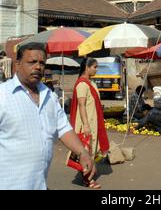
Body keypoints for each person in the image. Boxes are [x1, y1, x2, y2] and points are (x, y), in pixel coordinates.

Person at [0, 42, 95, 190]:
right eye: (32, 62)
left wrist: (82, 152)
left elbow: (63, 128)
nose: (38, 67)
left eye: (42, 63)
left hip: (40, 184)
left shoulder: (49, 96)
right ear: (17, 65)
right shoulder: (2, 95)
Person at [70, 57, 109, 189]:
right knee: (86, 150)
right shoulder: (82, 84)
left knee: (91, 149)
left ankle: (87, 174)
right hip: (86, 123)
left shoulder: (91, 83)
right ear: (87, 68)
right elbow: (81, 105)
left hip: (93, 121)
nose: (96, 69)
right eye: (94, 67)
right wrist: (86, 125)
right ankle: (87, 179)